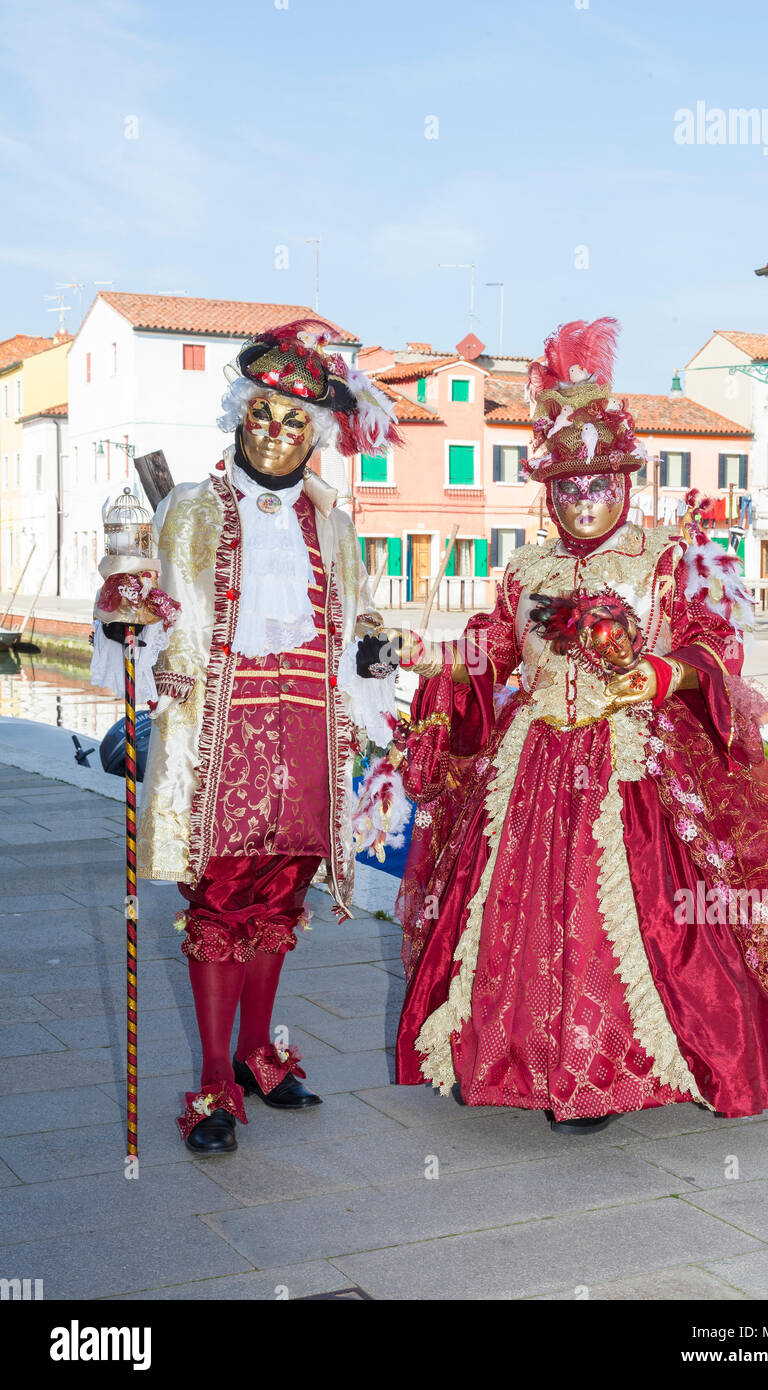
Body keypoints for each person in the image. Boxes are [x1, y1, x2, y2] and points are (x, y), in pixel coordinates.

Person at [394, 318, 768, 1133]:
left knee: (633, 918)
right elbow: (496, 650)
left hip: (632, 766)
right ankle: (514, 1058)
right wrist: (422, 654)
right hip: (532, 766)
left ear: (625, 482)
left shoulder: (668, 557)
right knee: (513, 917)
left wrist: (652, 674)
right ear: (547, 491)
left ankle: (606, 1069)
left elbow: (713, 646)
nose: (583, 500)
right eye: (566, 487)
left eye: (597, 483)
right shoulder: (528, 568)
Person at [91, 319, 400, 1153]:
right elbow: (145, 611)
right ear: (239, 414)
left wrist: (375, 648)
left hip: (304, 732)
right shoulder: (189, 510)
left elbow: (355, 610)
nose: (274, 431)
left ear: (319, 434)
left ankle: (262, 1053)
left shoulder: (334, 524)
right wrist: (129, 628)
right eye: (261, 413)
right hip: (218, 736)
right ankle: (213, 1084)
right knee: (220, 904)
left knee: (281, 900)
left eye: (294, 419)